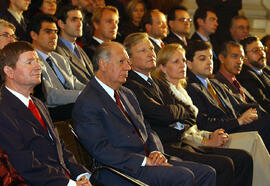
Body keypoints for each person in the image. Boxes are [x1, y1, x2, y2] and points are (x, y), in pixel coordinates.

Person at [72, 41, 216, 186]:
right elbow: (100, 149)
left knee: (207, 172)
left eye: (128, 62)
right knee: (183, 176)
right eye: (122, 62)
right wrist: (144, 161)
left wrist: (155, 152)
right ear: (103, 64)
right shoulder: (88, 102)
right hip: (121, 169)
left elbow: (146, 128)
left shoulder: (126, 93)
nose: (128, 67)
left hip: (148, 159)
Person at [123, 33, 252, 186]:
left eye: (151, 48)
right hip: (164, 146)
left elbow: (190, 113)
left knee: (243, 158)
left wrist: (177, 122)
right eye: (142, 50)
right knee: (223, 165)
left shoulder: (157, 82)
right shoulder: (131, 84)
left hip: (181, 140)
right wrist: (177, 119)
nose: (150, 53)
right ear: (129, 59)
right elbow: (162, 115)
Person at [154, 43, 270, 186]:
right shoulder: (171, 90)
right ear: (162, 67)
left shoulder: (185, 89)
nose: (182, 65)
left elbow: (193, 123)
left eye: (183, 60)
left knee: (246, 153)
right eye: (176, 61)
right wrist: (207, 139)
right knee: (238, 156)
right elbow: (181, 125)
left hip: (203, 135)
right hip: (185, 143)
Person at [0, 41, 91, 185]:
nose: (38, 66)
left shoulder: (38, 104)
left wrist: (81, 174)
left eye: (37, 61)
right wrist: (70, 184)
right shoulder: (3, 110)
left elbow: (59, 146)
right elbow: (24, 164)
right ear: (9, 71)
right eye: (29, 62)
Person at [185, 39, 270, 152]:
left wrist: (255, 111)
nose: (209, 62)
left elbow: (237, 105)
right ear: (189, 64)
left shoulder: (214, 82)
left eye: (210, 57)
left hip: (236, 126)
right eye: (202, 58)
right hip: (223, 134)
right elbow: (204, 123)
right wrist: (238, 121)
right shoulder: (190, 88)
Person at [29, 14, 86, 121]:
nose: (54, 36)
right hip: (51, 112)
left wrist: (94, 89)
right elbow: (50, 95)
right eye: (48, 32)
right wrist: (83, 94)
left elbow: (74, 83)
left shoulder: (59, 58)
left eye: (55, 32)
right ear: (34, 35)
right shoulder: (31, 61)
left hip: (71, 107)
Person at [56, 5, 94, 84]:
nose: (80, 24)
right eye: (74, 20)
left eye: (80, 19)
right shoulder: (56, 51)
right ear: (61, 24)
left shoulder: (79, 49)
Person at [237, 36, 270, 112]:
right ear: (244, 56)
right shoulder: (245, 76)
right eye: (255, 50)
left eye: (262, 49)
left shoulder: (266, 69)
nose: (262, 53)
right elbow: (263, 104)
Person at [190, 7, 219, 73]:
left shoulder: (215, 41)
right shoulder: (193, 43)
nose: (216, 24)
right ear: (200, 22)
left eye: (216, 20)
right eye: (212, 19)